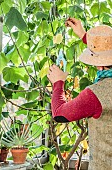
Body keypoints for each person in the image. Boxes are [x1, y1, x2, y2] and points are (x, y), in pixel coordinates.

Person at [47, 17, 112, 170]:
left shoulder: (95, 94)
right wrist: (85, 36)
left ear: (99, 64)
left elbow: (60, 114)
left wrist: (58, 82)